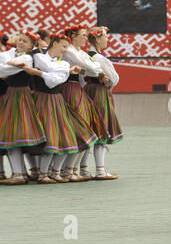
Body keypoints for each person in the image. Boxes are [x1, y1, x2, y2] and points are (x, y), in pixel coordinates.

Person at [24, 33, 99, 184]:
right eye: (63, 46)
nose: (65, 50)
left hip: (56, 99)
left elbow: (55, 80)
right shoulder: (40, 57)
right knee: (48, 135)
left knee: (65, 135)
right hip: (42, 99)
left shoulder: (63, 64)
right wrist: (57, 72)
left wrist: (40, 73)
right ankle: (42, 173)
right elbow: (52, 74)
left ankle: (53, 171)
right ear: (54, 43)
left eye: (66, 47)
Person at [61, 24, 110, 181]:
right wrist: (97, 71)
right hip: (70, 88)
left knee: (85, 129)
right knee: (81, 129)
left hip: (77, 90)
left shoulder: (79, 52)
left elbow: (91, 67)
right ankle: (67, 170)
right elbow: (91, 67)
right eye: (82, 35)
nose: (84, 38)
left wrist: (95, 70)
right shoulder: (70, 51)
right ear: (73, 36)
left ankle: (73, 169)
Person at [0, 30, 46, 185]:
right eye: (19, 40)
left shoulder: (27, 58)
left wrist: (8, 63)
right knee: (12, 133)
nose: (20, 43)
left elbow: (4, 70)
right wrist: (9, 61)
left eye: (25, 41)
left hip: (20, 96)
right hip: (12, 95)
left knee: (15, 132)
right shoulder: (13, 55)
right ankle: (22, 172)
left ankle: (20, 174)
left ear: (31, 46)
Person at [85, 26, 122, 180]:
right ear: (98, 39)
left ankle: (83, 169)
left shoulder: (86, 55)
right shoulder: (100, 58)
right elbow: (114, 78)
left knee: (89, 129)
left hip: (88, 91)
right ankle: (100, 170)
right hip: (100, 93)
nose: (107, 39)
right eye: (105, 36)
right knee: (101, 127)